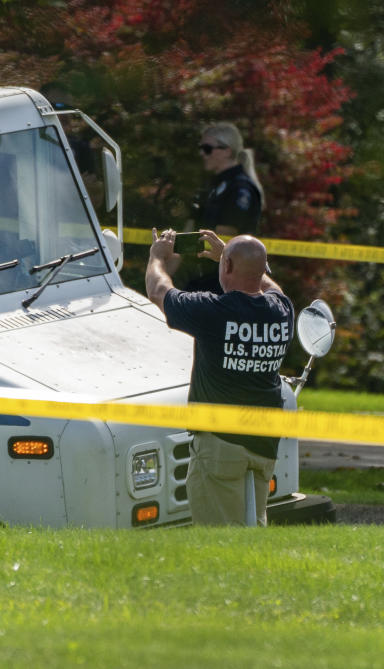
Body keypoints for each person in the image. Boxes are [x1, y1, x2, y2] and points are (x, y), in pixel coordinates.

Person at [146, 228, 294, 526]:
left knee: (222, 543)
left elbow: (158, 292)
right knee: (253, 528)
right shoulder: (282, 311)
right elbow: (271, 286)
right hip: (264, 443)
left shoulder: (213, 312)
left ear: (226, 267)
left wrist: (157, 258)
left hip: (221, 446)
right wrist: (230, 255)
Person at [180, 122, 265, 293]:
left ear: (227, 151)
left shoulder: (240, 189)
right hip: (205, 279)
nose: (202, 154)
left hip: (225, 285)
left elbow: (223, 239)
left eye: (207, 148)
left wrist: (179, 246)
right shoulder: (215, 186)